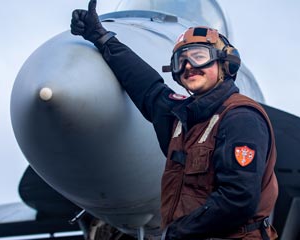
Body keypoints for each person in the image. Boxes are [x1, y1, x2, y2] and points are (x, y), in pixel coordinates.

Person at [70, 1, 278, 239]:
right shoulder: (182, 119)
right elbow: (146, 85)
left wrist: (178, 232)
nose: (189, 66)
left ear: (225, 63)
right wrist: (101, 37)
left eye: (199, 57)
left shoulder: (240, 117)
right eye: (182, 60)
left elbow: (239, 198)